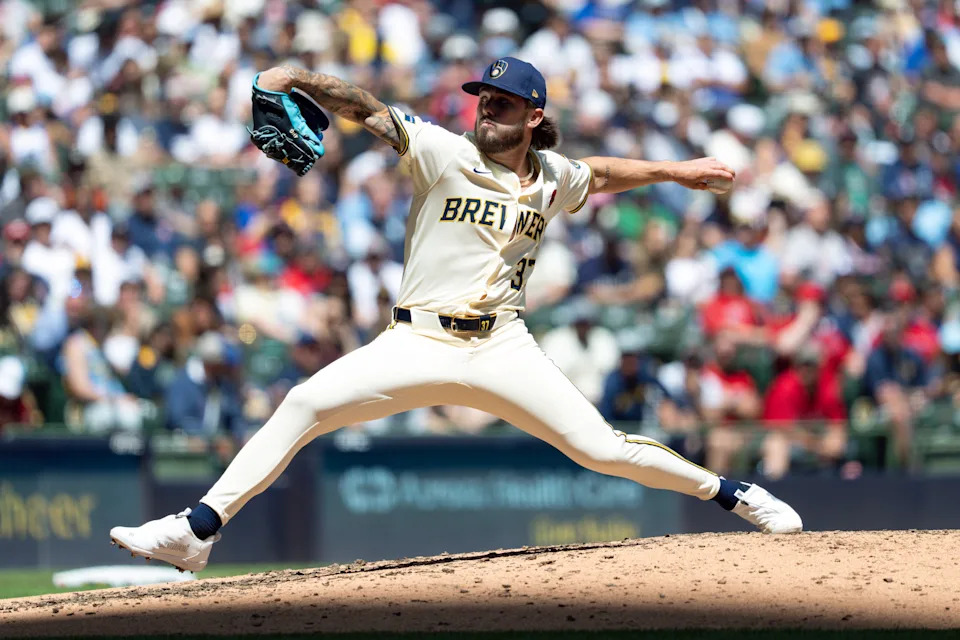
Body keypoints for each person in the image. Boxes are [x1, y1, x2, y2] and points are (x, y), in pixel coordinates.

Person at [110, 57, 802, 573]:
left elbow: (602, 171)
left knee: (601, 449)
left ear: (534, 116)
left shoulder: (555, 176)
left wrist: (678, 172)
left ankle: (735, 495)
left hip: (503, 345)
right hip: (415, 342)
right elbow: (365, 107)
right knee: (303, 403)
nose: (487, 110)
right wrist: (292, 74)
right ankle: (197, 530)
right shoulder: (444, 152)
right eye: (483, 99)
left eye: (502, 102)